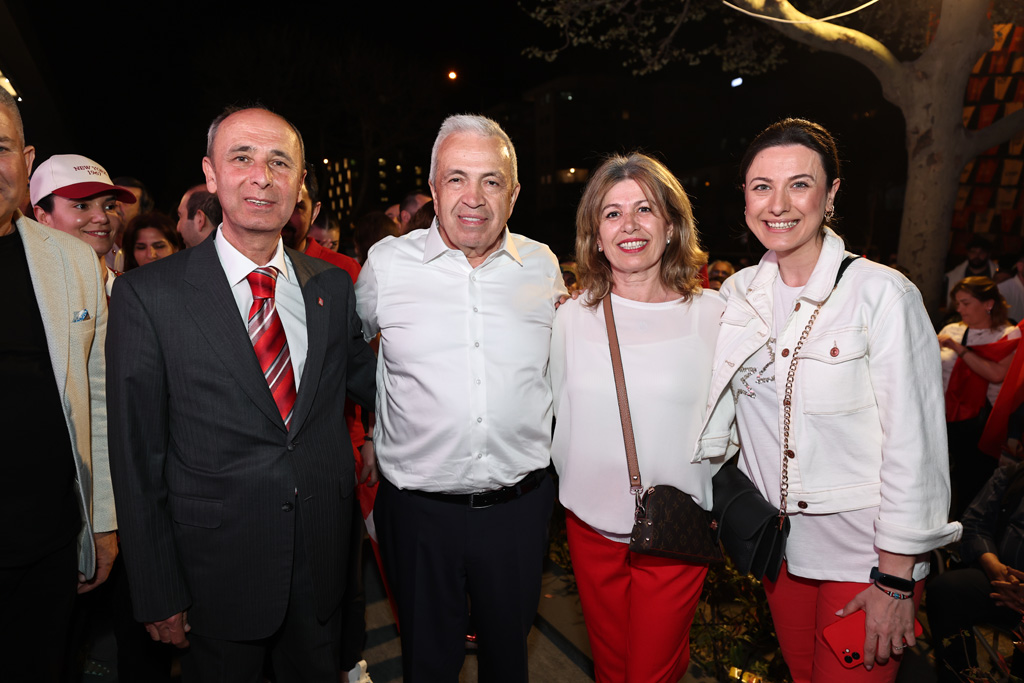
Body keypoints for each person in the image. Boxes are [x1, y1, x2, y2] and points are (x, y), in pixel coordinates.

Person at [107, 106, 377, 682]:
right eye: (242, 158)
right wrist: (156, 587)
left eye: (280, 162)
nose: (262, 176)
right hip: (214, 576)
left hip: (322, 566)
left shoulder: (331, 286)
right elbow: (135, 456)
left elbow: (379, 385)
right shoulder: (148, 296)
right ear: (211, 174)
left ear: (300, 185)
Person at [693, 118, 961, 682]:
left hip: (866, 562)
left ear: (831, 193)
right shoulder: (736, 295)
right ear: (745, 196)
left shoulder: (881, 293)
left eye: (800, 184)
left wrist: (896, 579)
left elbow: (916, 448)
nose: (778, 204)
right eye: (762, 186)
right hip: (780, 553)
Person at [355, 114, 567, 682]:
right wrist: (372, 429)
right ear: (433, 188)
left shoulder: (542, 266)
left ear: (513, 194)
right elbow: (350, 356)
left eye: (491, 181)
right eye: (456, 178)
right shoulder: (386, 265)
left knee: (509, 660)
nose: (474, 197)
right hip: (418, 515)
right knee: (427, 664)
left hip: (519, 510)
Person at [550, 153, 723, 682]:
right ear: (596, 237)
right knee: (612, 667)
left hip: (674, 529)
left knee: (651, 672)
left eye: (645, 209)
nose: (629, 224)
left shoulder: (715, 316)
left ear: (670, 226)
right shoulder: (569, 319)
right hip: (590, 527)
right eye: (612, 213)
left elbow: (736, 423)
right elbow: (555, 413)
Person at [0, 88, 117, 682]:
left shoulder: (73, 262)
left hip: (48, 547)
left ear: (26, 159)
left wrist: (103, 522)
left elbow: (98, 401)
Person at [927, 460, 1024, 682]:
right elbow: (975, 523)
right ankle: (964, 677)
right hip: (1000, 580)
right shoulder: (1013, 474)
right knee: (947, 591)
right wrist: (995, 568)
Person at [938, 276, 1020, 519]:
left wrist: (959, 349)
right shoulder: (951, 330)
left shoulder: (1007, 335)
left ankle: (966, 535)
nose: (959, 309)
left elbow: (996, 374)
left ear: (988, 304)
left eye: (966, 303)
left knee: (972, 485)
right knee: (940, 480)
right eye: (957, 303)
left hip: (980, 423)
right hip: (943, 416)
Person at [945, 235, 998, 305]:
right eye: (973, 252)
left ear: (988, 254)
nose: (977, 256)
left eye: (981, 252)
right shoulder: (953, 276)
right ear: (968, 253)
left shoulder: (997, 274)